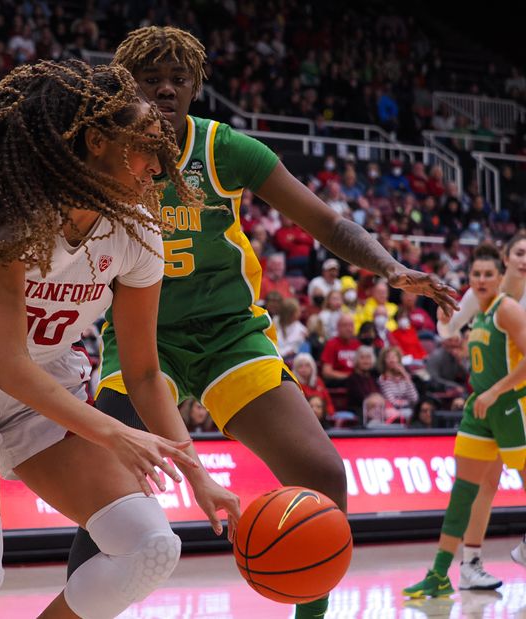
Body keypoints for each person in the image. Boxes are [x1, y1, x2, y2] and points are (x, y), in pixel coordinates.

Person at [68, 27, 457, 619]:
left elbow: (326, 223)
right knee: (109, 486)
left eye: (179, 78)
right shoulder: (103, 154)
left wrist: (390, 267)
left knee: (320, 470)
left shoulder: (224, 148)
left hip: (228, 333)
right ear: (129, 88)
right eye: (152, 79)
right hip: (143, 337)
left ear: (196, 86)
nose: (167, 88)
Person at [0, 60, 239, 619]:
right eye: (147, 147)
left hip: (49, 377)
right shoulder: (8, 214)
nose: (158, 165)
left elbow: (147, 374)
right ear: (98, 142)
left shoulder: (138, 230)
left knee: (150, 548)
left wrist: (199, 475)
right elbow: (6, 367)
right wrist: (115, 434)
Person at [404, 246, 526, 598]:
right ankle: (441, 573)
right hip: (481, 408)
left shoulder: (508, 308)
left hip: (511, 406)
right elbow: (447, 328)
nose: (482, 280)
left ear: (500, 277)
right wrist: (443, 311)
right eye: (477, 275)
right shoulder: (481, 308)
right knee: (464, 491)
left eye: (488, 275)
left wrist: (495, 392)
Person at [377, 346, 419, 420]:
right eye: (388, 357)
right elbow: (391, 401)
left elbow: (414, 398)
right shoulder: (383, 379)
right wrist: (407, 402)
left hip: (408, 409)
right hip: (392, 411)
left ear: (399, 359)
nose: (391, 359)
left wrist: (406, 376)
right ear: (384, 361)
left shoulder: (404, 378)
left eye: (394, 356)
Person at [321, 313, 361, 386]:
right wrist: (349, 377)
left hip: (356, 382)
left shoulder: (358, 344)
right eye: (345, 325)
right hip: (339, 381)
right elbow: (326, 372)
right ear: (338, 327)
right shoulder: (331, 344)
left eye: (351, 325)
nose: (349, 329)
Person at [345, 346, 381, 414]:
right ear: (357, 360)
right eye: (362, 358)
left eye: (368, 357)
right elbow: (361, 398)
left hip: (376, 410)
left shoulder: (373, 377)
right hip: (359, 412)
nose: (366, 361)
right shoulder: (352, 379)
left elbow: (379, 394)